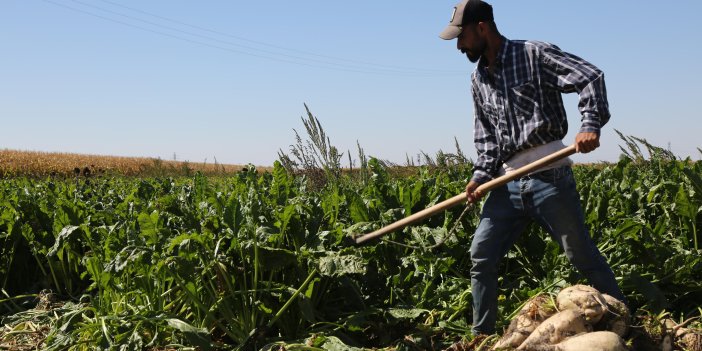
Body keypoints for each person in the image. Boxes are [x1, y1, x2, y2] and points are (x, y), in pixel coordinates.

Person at [439, 0, 627, 336]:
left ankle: (623, 322)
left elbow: (590, 77)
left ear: (482, 27)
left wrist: (591, 124)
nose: (459, 45)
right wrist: (480, 176)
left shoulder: (533, 54)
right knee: (481, 254)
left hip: (549, 175)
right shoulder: (477, 78)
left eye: (461, 36)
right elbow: (486, 137)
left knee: (580, 254)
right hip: (507, 182)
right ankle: (481, 336)